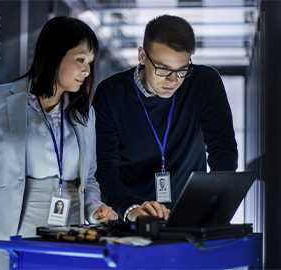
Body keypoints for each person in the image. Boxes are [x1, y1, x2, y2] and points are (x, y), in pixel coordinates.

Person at [0, 16, 118, 269]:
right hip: (7, 233)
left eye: (90, 63)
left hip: (68, 235)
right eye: (80, 60)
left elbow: (90, 178)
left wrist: (95, 209)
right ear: (55, 54)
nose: (86, 71)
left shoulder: (85, 114)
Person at [93, 14, 238, 223]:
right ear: (142, 56)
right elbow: (105, 167)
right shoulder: (111, 93)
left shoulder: (204, 83)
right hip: (133, 215)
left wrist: (214, 206)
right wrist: (130, 209)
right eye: (163, 69)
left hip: (190, 214)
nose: (173, 80)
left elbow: (222, 149)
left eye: (182, 70)